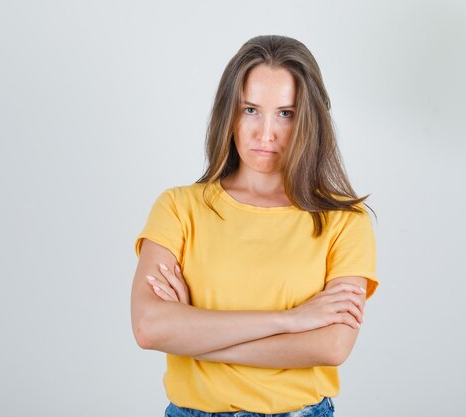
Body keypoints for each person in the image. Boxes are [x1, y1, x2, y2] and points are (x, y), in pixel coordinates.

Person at [131, 35, 378, 417]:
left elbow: (331, 346)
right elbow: (149, 327)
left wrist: (194, 337)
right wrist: (291, 320)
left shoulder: (345, 222)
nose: (266, 133)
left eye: (285, 113)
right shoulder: (179, 208)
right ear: (228, 112)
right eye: (250, 110)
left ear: (309, 120)